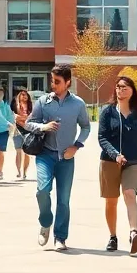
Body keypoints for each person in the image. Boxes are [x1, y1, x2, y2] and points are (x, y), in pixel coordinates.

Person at [24, 65, 91, 251]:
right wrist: (43, 128)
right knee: (42, 191)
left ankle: (60, 237)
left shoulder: (78, 104)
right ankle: (45, 222)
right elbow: (29, 123)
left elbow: (86, 127)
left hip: (66, 158)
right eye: (52, 80)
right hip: (45, 154)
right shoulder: (43, 102)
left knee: (64, 200)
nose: (53, 84)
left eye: (57, 81)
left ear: (68, 82)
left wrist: (76, 146)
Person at [98, 76, 137, 255]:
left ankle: (133, 233)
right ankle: (113, 237)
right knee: (111, 201)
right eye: (118, 87)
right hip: (109, 162)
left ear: (132, 91)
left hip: (132, 162)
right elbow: (102, 138)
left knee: (130, 194)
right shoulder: (108, 112)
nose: (121, 90)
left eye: (125, 87)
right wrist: (115, 155)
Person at [13, 90, 35, 180]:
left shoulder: (31, 107)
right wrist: (24, 118)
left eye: (26, 95)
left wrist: (22, 118)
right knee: (18, 152)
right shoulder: (15, 105)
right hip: (17, 131)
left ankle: (25, 172)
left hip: (28, 131)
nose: (24, 96)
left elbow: (32, 117)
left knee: (27, 153)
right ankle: (18, 171)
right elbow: (14, 117)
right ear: (19, 96)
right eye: (22, 95)